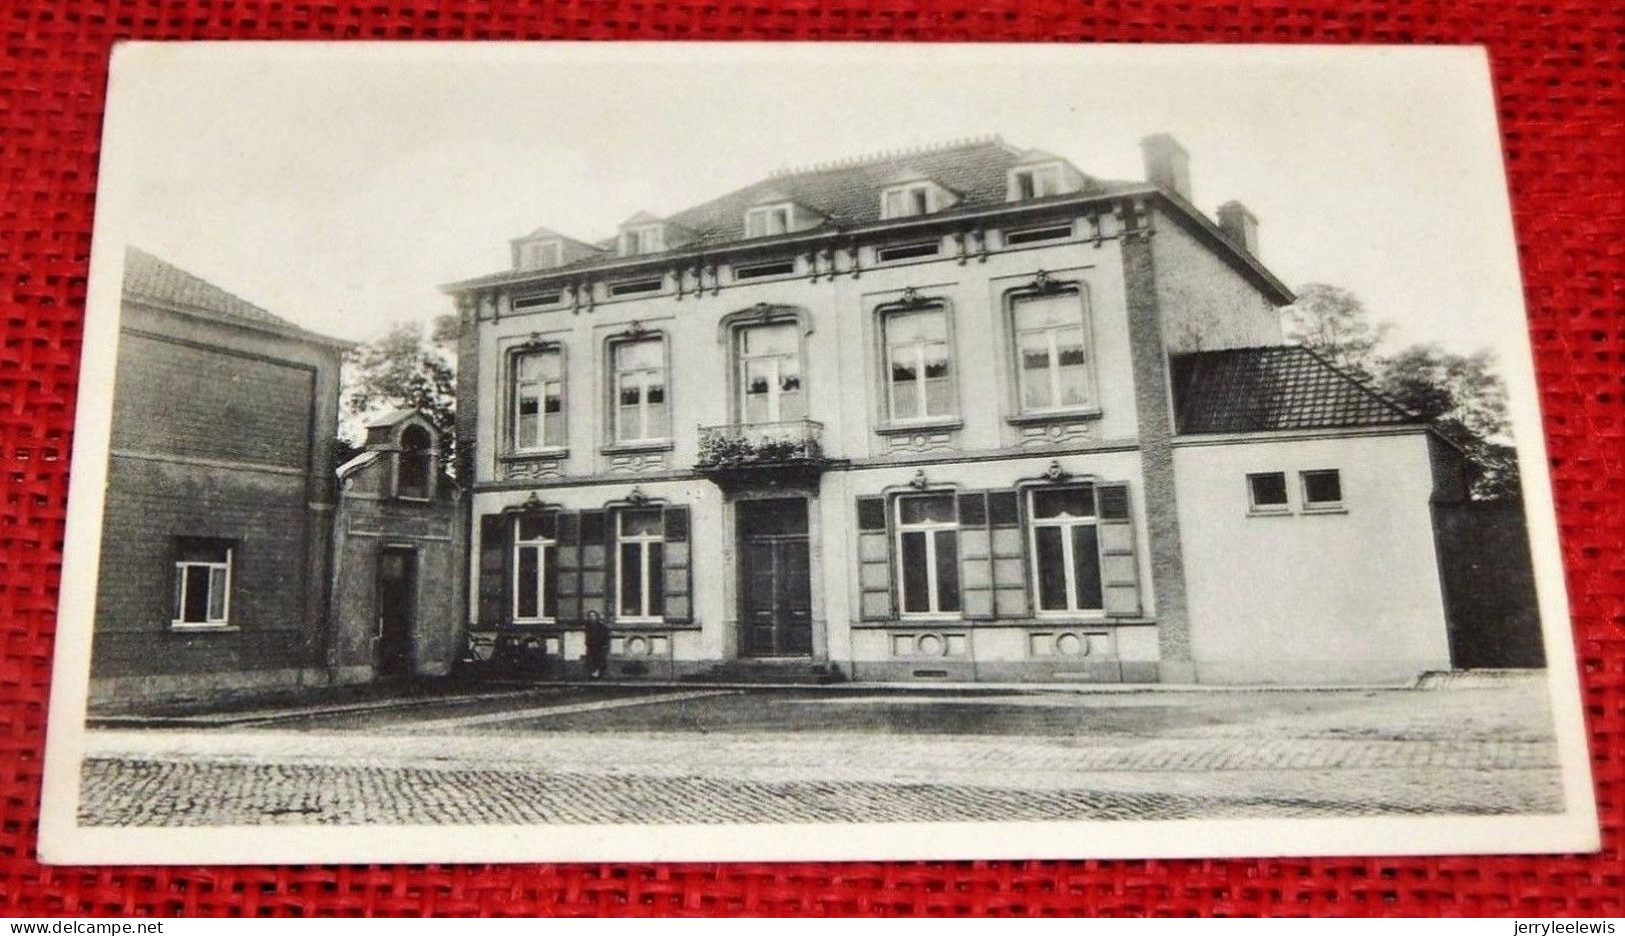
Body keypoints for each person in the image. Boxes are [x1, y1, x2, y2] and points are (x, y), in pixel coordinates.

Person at [583, 609, 610, 679]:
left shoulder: (601, 626)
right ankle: (592, 672)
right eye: (591, 616)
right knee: (590, 660)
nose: (592, 617)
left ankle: (597, 672)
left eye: (594, 616)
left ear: (597, 617)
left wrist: (604, 644)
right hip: (591, 646)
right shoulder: (588, 626)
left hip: (599, 646)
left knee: (599, 659)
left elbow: (605, 635)